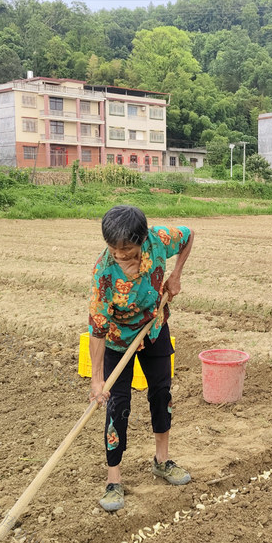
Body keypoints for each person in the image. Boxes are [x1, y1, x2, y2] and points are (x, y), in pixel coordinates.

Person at [88, 205, 194, 512]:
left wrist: (176, 274)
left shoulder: (158, 240)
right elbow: (97, 328)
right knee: (117, 405)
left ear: (142, 238)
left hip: (154, 328)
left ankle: (162, 461)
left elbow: (188, 236)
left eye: (127, 249)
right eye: (113, 247)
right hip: (117, 342)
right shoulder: (104, 273)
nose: (119, 254)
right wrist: (97, 380)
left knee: (161, 393)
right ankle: (113, 480)